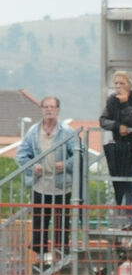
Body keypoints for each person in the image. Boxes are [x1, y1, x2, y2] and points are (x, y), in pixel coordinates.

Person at [17, 96, 76, 261]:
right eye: (46, 107)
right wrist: (33, 166)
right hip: (40, 183)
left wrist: (66, 165)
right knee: (39, 221)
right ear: (41, 109)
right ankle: (39, 257)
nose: (49, 110)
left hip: (61, 184)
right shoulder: (33, 131)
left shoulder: (67, 132)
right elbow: (21, 155)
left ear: (58, 109)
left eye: (52, 107)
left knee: (61, 222)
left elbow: (80, 154)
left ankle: (60, 255)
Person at [99, 70, 132, 231]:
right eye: (116, 83)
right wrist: (117, 126)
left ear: (130, 85)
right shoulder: (112, 100)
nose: (118, 87)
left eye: (122, 83)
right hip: (121, 148)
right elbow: (103, 120)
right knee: (125, 184)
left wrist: (126, 104)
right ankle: (129, 219)